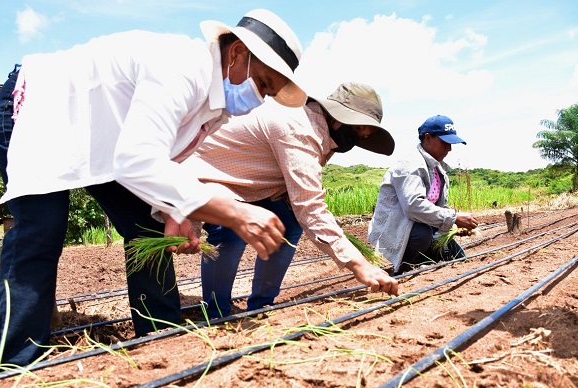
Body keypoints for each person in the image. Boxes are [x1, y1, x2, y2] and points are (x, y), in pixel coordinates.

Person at [0, 9, 306, 367]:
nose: (260, 99)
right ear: (236, 53)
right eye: (263, 84)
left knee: (147, 226)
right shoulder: (183, 67)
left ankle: (161, 337)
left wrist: (173, 210)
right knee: (42, 228)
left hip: (109, 139)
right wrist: (233, 211)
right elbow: (137, 160)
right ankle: (15, 363)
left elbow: (163, 159)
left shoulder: (216, 109)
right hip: (40, 106)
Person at [182, 82, 400, 319]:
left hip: (253, 186)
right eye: (358, 129)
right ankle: (215, 313)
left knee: (290, 222)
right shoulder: (300, 130)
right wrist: (360, 265)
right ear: (338, 117)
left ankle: (261, 305)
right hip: (213, 177)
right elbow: (311, 208)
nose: (361, 136)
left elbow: (299, 196)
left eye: (365, 134)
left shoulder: (324, 133)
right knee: (229, 229)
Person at [368, 115, 479, 275]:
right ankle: (403, 269)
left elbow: (438, 207)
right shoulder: (410, 165)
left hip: (421, 226)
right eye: (445, 142)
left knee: (458, 257)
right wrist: (454, 218)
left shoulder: (437, 168)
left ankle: (421, 261)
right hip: (396, 229)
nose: (449, 148)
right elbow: (413, 206)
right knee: (423, 233)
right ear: (428, 138)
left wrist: (454, 225)